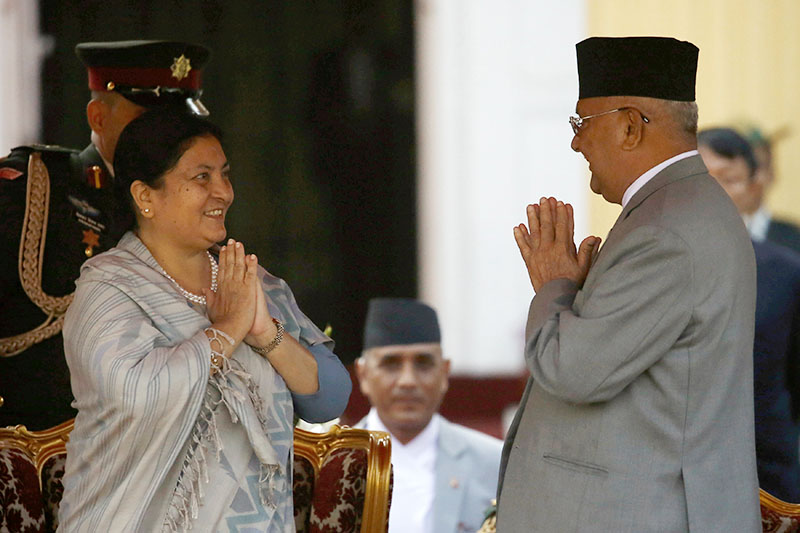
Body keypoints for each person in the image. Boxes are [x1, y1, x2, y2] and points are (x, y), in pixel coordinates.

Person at [498, 37, 760, 531]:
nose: (576, 143)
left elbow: (573, 370)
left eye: (581, 123)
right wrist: (577, 299)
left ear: (629, 126)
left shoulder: (667, 230)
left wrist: (554, 286)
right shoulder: (677, 208)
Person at [58, 109, 351, 531]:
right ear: (145, 196)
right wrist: (228, 330)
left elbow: (329, 399)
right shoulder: (108, 289)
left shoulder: (248, 281)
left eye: (224, 175)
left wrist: (264, 333)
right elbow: (136, 395)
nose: (223, 192)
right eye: (202, 178)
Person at [0, 40, 211, 429]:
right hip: (42, 443)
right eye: (149, 122)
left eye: (179, 125)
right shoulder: (31, 192)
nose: (168, 138)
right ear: (98, 118)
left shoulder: (198, 205)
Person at [698, 126, 800, 502]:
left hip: (764, 466)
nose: (715, 193)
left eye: (729, 180)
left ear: (754, 185)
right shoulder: (650, 262)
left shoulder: (785, 271)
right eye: (703, 180)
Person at [354, 298, 502, 533]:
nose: (408, 381)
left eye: (423, 364)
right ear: (363, 374)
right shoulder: (330, 461)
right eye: (391, 364)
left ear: (445, 372)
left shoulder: (495, 463)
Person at [741, 127, 800, 253]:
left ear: (771, 173)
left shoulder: (794, 237)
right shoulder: (707, 237)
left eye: (757, 167)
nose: (751, 178)